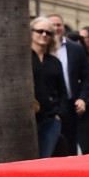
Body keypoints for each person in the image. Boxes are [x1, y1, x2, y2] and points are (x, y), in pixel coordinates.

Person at [48, 14, 89, 155]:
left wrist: (82, 98)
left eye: (59, 25)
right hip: (49, 106)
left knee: (70, 145)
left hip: (70, 104)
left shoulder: (75, 49)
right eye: (53, 25)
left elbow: (87, 76)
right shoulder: (41, 48)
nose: (56, 28)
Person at [30, 17, 66, 158]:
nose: (44, 35)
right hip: (29, 118)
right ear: (31, 33)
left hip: (51, 119)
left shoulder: (55, 62)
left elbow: (62, 90)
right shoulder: (24, 58)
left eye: (48, 33)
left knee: (44, 158)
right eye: (40, 31)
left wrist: (59, 114)